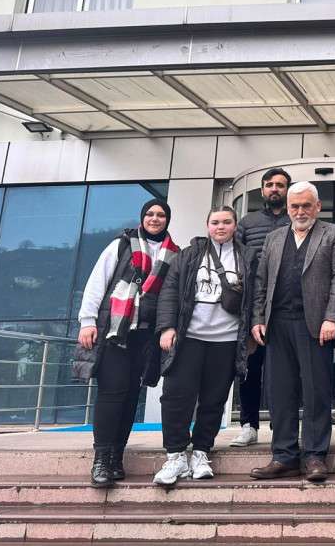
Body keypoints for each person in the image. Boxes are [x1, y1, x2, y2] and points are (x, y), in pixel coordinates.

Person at [74, 199, 179, 488]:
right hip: (116, 332)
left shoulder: (174, 253)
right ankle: (101, 459)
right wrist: (87, 321)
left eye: (161, 215)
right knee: (112, 392)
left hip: (147, 337)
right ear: (142, 217)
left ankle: (116, 457)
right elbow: (98, 282)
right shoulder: (121, 245)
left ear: (167, 220)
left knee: (132, 395)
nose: (155, 219)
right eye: (150, 214)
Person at [249, 181, 335, 483]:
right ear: (288, 208)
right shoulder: (274, 237)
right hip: (277, 323)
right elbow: (261, 281)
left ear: (318, 207)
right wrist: (257, 317)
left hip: (315, 325)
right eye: (295, 206)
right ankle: (284, 456)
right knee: (280, 392)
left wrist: (332, 318)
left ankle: (315, 455)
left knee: (316, 390)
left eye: (306, 205)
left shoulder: (333, 234)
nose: (300, 211)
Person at [152, 206, 257, 486]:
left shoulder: (248, 256)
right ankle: (175, 455)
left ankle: (201, 452)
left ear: (235, 225)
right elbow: (169, 291)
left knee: (214, 400)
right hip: (189, 338)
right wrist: (167, 327)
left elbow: (256, 296)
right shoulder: (188, 255)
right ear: (207, 225)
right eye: (215, 222)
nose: (220, 227)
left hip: (226, 341)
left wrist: (251, 331)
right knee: (176, 397)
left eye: (226, 222)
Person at [231, 167, 292, 448]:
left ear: (287, 189)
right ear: (263, 190)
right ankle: (249, 425)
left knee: (286, 372)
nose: (274, 189)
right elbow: (236, 260)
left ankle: (284, 425)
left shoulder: (296, 219)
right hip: (252, 307)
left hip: (286, 306)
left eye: (280, 184)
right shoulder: (248, 222)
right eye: (269, 185)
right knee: (250, 370)